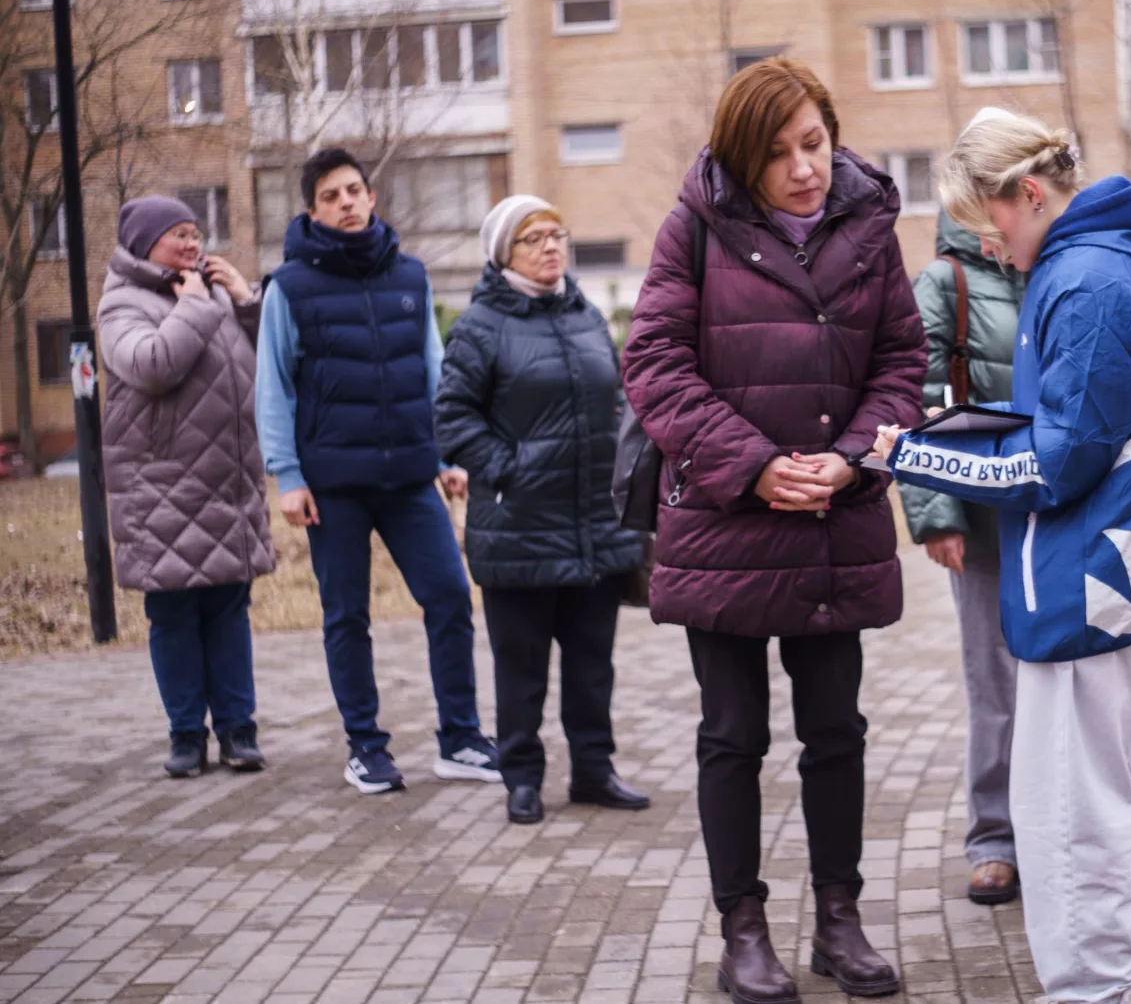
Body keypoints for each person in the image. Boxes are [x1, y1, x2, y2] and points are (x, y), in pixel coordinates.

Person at [872, 107, 1131, 1004]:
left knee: (1071, 809)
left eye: (994, 225)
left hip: (1085, 585)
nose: (996, 250)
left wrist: (912, 453)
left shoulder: (1084, 279)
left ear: (1030, 194)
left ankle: (1093, 985)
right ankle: (1130, 968)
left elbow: (1056, 462)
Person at [621, 58, 924, 1003]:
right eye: (779, 152)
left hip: (836, 514)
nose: (803, 169)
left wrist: (854, 455)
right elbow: (656, 363)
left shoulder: (871, 229)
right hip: (727, 526)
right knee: (733, 733)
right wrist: (754, 464)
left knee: (836, 730)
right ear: (740, 158)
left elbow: (903, 359)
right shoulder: (694, 230)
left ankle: (840, 919)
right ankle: (742, 930)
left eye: (815, 144)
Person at [255, 147, 500, 795]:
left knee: (449, 596)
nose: (347, 202)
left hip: (408, 476)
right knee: (348, 616)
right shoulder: (289, 287)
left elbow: (433, 369)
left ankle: (461, 738)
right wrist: (286, 476)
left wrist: (448, 455)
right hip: (331, 484)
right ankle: (366, 747)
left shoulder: (409, 276)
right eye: (332, 195)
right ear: (313, 210)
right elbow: (272, 387)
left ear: (371, 198)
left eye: (355, 190)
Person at [435, 194, 650, 826]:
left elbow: (614, 402)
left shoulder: (585, 313)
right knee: (521, 669)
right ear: (505, 253)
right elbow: (451, 417)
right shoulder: (480, 325)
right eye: (534, 239)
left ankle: (594, 771)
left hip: (592, 522)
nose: (551, 246)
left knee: (592, 664)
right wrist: (510, 470)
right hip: (521, 526)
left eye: (557, 234)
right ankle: (521, 777)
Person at [98, 196, 277, 778]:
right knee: (174, 617)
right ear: (145, 243)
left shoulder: (210, 294)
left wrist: (246, 302)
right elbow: (151, 364)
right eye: (178, 234)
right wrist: (198, 307)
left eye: (195, 233)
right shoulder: (122, 305)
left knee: (229, 610)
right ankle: (185, 735)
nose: (193, 244)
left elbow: (261, 363)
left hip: (228, 484)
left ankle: (238, 730)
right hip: (162, 492)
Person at [898, 210, 1028, 906]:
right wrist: (935, 514)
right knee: (996, 683)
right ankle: (995, 839)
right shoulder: (943, 282)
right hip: (979, 518)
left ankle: (1058, 828)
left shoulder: (1049, 264)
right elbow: (915, 401)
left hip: (1055, 508)